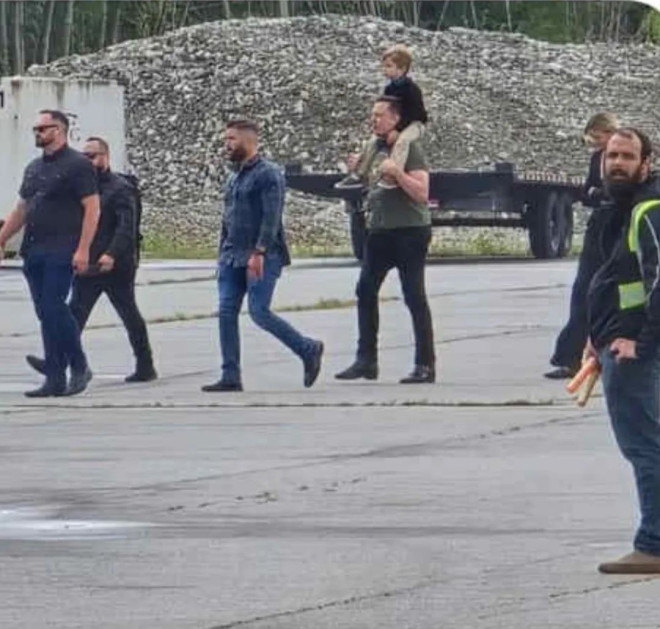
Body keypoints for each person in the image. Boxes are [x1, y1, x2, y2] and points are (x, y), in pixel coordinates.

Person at [583, 128, 660, 574]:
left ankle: (654, 543)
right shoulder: (619, 209)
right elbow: (612, 282)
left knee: (644, 446)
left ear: (646, 164)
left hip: (635, 351)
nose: (617, 163)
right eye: (612, 155)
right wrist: (593, 338)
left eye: (628, 157)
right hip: (616, 341)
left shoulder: (648, 209)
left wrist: (641, 343)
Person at [202, 119, 324, 393]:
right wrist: (222, 253)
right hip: (232, 256)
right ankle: (230, 375)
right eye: (226, 139)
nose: (226, 144)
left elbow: (272, 217)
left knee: (259, 312)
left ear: (248, 141)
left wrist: (260, 251)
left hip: (261, 255)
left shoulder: (269, 174)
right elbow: (227, 218)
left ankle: (308, 348)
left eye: (231, 139)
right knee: (226, 312)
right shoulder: (234, 176)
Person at [24, 137, 157, 383]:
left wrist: (112, 254)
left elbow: (126, 228)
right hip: (89, 263)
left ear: (106, 157)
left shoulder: (121, 188)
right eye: (84, 156)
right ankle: (57, 361)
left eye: (93, 156)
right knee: (75, 313)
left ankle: (145, 364)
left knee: (129, 313)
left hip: (117, 266)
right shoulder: (84, 188)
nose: (88, 161)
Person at [335, 96, 435, 384]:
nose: (374, 120)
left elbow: (422, 193)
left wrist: (398, 173)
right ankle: (366, 360)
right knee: (365, 291)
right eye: (373, 115)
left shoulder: (410, 148)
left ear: (396, 119)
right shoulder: (375, 149)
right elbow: (370, 184)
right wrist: (357, 169)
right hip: (379, 230)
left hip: (409, 231)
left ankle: (425, 365)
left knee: (413, 295)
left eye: (380, 115)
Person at [0, 110, 100, 397]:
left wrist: (83, 249)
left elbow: (92, 208)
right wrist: (2, 238)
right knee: (45, 312)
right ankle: (54, 377)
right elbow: (22, 209)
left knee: (54, 306)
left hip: (63, 248)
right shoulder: (34, 168)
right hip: (35, 249)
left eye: (43, 128)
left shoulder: (78, 165)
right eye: (36, 128)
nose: (38, 133)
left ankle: (79, 365)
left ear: (59, 130)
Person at [545, 113, 619, 379]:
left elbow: (618, 192)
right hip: (598, 226)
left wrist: (599, 194)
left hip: (618, 227)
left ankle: (612, 356)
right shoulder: (597, 159)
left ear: (610, 133)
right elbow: (587, 192)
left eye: (598, 137)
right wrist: (595, 194)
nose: (595, 143)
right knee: (583, 293)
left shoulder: (623, 158)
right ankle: (569, 358)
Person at [335, 44, 428, 190]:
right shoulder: (389, 88)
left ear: (402, 69)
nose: (385, 70)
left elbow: (414, 113)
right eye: (384, 66)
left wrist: (397, 130)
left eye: (389, 66)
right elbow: (387, 109)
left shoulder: (412, 89)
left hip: (414, 124)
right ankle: (360, 174)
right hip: (396, 121)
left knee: (402, 142)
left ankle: (392, 175)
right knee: (373, 141)